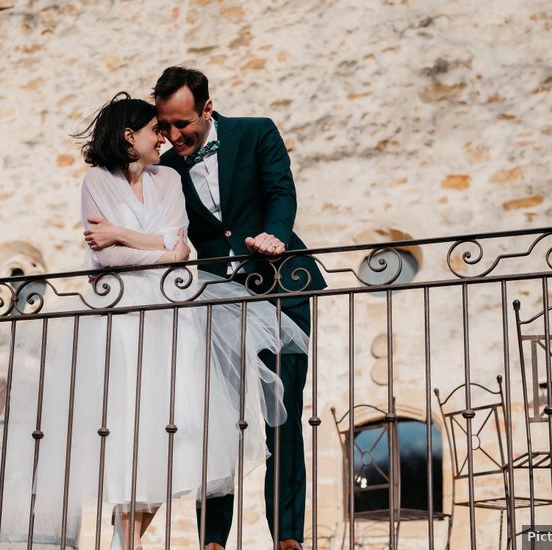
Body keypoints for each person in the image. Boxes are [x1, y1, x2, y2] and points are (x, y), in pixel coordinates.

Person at [0, 93, 307, 550]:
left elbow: (177, 248)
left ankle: (283, 536)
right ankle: (142, 541)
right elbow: (105, 255)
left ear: (206, 108)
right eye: (155, 128)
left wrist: (125, 234)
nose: (164, 136)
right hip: (121, 317)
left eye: (172, 126)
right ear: (130, 136)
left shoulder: (169, 178)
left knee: (186, 426)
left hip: (177, 312)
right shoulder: (97, 182)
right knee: (130, 431)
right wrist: (154, 249)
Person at [153, 67, 327, 550]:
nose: (174, 135)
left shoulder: (257, 131)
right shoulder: (165, 168)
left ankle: (287, 536)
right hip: (214, 304)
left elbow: (280, 192)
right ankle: (212, 539)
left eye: (183, 124)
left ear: (207, 108)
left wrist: (273, 233)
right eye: (165, 126)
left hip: (279, 289)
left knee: (284, 414)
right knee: (218, 419)